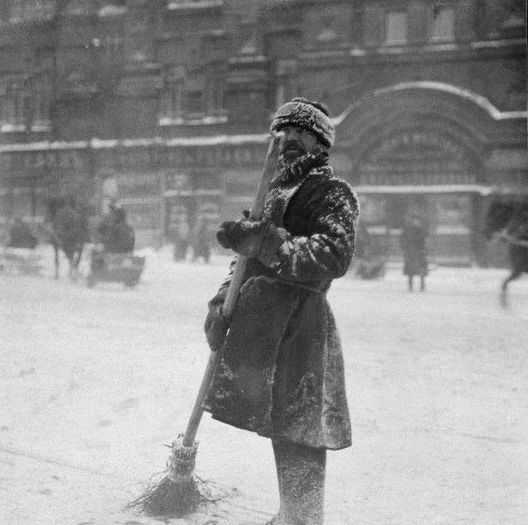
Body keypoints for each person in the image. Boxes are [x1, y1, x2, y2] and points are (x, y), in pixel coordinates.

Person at [203, 98, 359, 525]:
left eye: (300, 132)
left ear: (320, 142)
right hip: (264, 322)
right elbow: (243, 265)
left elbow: (333, 255)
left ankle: (304, 518)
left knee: (302, 423)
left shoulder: (332, 192)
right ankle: (292, 513)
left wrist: (266, 242)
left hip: (303, 321)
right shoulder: (274, 192)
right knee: (279, 419)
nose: (289, 139)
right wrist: (221, 304)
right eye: (283, 132)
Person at [400, 211, 428, 292]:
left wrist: (424, 248)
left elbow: (424, 238)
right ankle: (410, 283)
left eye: (417, 220)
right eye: (414, 220)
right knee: (411, 269)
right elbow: (404, 239)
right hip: (411, 251)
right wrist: (405, 247)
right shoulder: (408, 229)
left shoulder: (421, 229)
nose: (416, 222)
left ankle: (422, 283)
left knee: (421, 268)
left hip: (420, 251)